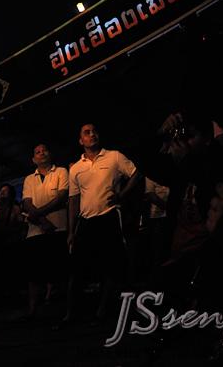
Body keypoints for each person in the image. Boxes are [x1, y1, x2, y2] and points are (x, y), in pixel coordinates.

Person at [61, 123, 142, 327]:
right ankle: (71, 314)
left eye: (94, 131)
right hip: (86, 221)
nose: (92, 134)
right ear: (81, 141)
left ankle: (102, 311)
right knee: (77, 269)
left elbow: (135, 173)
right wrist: (71, 231)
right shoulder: (76, 168)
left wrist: (122, 194)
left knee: (112, 266)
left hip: (109, 217)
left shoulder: (114, 156)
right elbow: (73, 200)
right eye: (86, 133)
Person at [21, 143, 68, 320]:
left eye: (44, 150)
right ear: (33, 159)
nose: (41, 154)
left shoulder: (61, 172)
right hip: (35, 232)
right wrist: (42, 221)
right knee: (34, 274)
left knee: (59, 271)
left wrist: (37, 214)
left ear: (50, 154)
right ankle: (32, 311)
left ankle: (61, 312)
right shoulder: (28, 179)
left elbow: (61, 197)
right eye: (37, 152)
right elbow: (26, 202)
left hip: (58, 228)